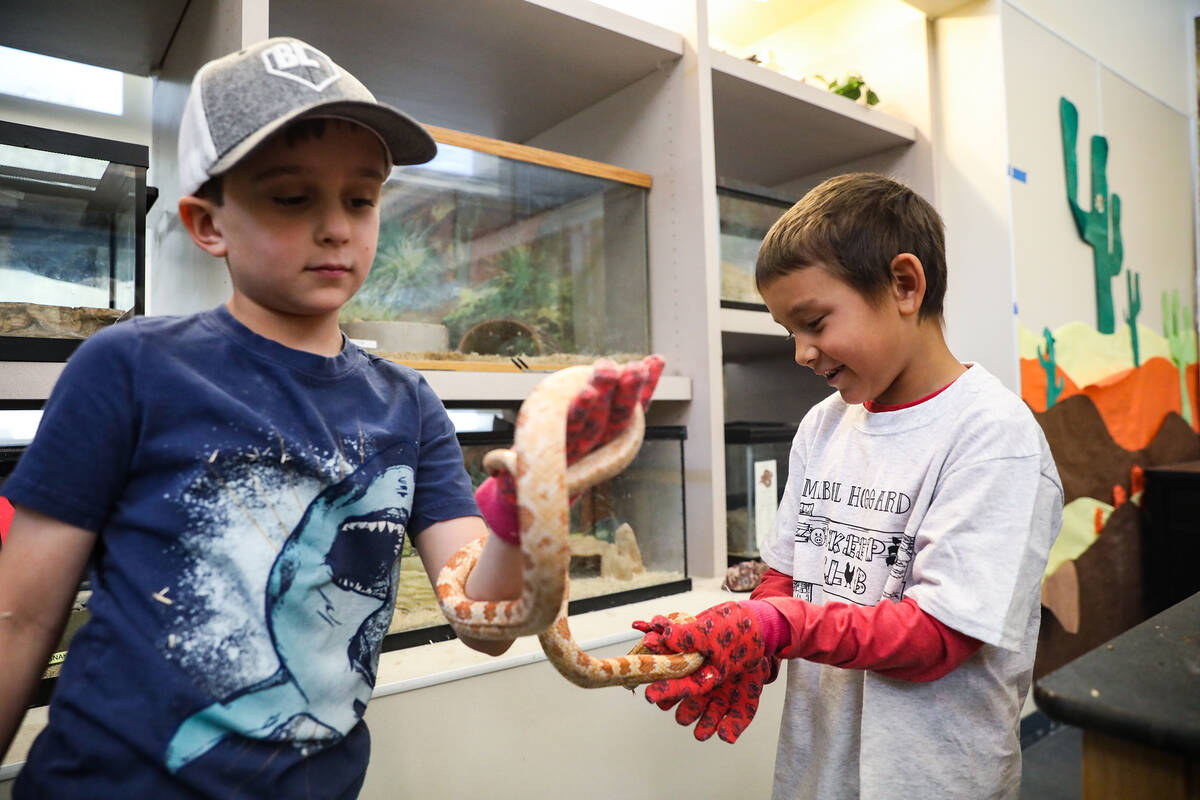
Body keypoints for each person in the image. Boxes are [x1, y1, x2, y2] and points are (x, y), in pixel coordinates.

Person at [0, 36, 658, 798]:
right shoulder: (129, 368)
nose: (336, 227)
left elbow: (484, 624)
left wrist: (525, 507)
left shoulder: (408, 404)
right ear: (206, 223)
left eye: (361, 198)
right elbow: (18, 619)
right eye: (291, 198)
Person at [635, 173, 1064, 799]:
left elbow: (939, 638)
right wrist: (746, 634)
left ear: (904, 285)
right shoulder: (824, 425)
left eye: (814, 321)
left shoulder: (995, 438)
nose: (803, 353)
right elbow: (790, 570)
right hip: (817, 768)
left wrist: (781, 627)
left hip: (931, 779)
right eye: (790, 333)